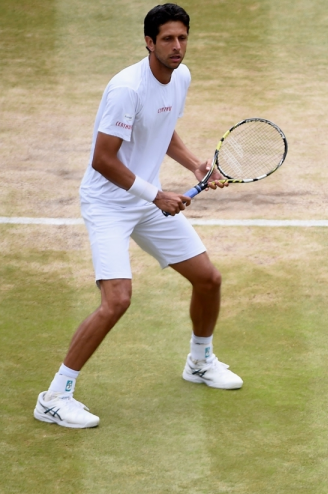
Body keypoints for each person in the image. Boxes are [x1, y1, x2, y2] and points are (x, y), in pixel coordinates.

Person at [34, 3, 242, 430]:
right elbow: (102, 159)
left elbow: (162, 131)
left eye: (182, 37)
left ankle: (199, 362)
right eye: (167, 39)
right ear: (148, 42)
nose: (177, 46)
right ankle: (54, 397)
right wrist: (156, 195)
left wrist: (195, 166)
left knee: (209, 279)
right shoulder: (126, 88)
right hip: (110, 204)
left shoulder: (180, 77)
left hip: (147, 200)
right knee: (117, 301)